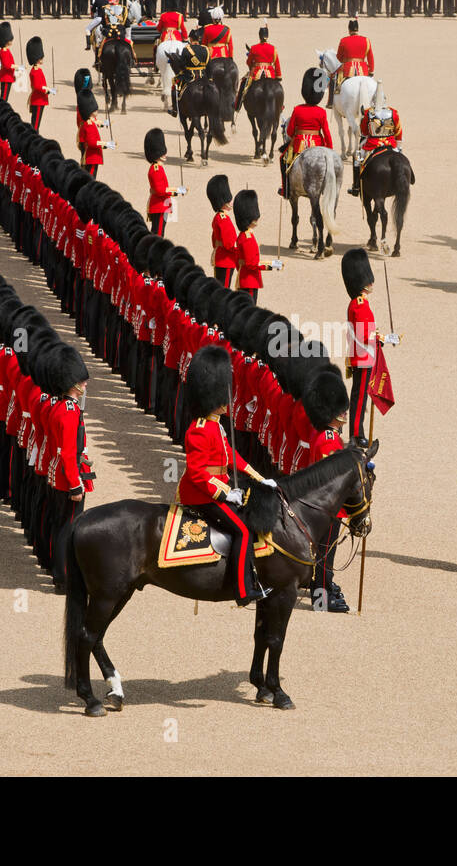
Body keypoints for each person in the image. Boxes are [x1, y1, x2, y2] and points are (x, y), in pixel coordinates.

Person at [179, 345, 272, 607]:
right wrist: (225, 493)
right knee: (242, 530)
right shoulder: (198, 430)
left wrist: (258, 477)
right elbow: (197, 474)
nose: (227, 400)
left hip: (214, 490)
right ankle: (243, 591)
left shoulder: (214, 425)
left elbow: (229, 454)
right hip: (201, 496)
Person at [303, 366, 351, 611]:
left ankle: (326, 585)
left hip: (329, 505)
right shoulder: (328, 440)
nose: (344, 413)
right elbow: (331, 478)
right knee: (324, 553)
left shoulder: (327, 435)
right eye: (341, 410)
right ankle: (321, 599)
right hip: (328, 506)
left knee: (326, 553)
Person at [47, 343, 94, 593]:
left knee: (62, 525)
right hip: (68, 479)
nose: (85, 385)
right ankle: (64, 577)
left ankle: (61, 574)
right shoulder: (69, 411)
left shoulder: (61, 407)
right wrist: (75, 484)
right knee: (69, 528)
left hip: (60, 474)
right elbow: (67, 452)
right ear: (72, 383)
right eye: (82, 382)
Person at [342, 248, 387, 443]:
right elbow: (363, 334)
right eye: (367, 279)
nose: (371, 283)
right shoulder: (359, 304)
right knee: (360, 397)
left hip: (362, 354)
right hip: (362, 356)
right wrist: (379, 339)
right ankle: (356, 434)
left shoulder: (360, 302)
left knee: (361, 396)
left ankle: (357, 432)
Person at [280, 67, 333, 197]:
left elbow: (290, 131)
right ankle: (327, 189)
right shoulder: (321, 112)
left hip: (299, 144)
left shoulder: (297, 109)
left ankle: (286, 189)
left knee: (283, 159)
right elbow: (326, 133)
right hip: (317, 144)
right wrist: (330, 150)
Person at [350, 86, 403, 197]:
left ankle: (356, 186)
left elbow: (364, 132)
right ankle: (409, 178)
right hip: (390, 144)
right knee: (401, 159)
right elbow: (398, 131)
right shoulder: (393, 112)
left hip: (372, 145)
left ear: (373, 100)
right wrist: (399, 147)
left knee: (356, 159)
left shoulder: (368, 113)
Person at [233, 189, 276, 304]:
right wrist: (271, 265)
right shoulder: (248, 238)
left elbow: (238, 260)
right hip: (250, 281)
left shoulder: (242, 235)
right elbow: (252, 264)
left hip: (243, 278)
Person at [145, 128, 184, 236]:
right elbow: (161, 190)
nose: (164, 154)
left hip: (161, 204)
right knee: (158, 234)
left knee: (158, 232)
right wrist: (177, 190)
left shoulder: (157, 167)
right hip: (159, 205)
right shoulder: (156, 169)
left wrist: (177, 191)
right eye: (162, 152)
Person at [235, 24, 281, 112]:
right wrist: (278, 76)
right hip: (270, 73)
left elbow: (248, 62)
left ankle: (238, 105)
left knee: (243, 84)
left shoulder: (253, 48)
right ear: (267, 36)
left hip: (256, 73)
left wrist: (251, 67)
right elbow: (277, 63)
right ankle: (280, 105)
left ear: (259, 36)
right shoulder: (273, 48)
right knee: (278, 89)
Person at [168, 28, 210, 118]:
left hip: (190, 76)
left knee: (174, 81)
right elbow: (208, 64)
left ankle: (175, 109)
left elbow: (182, 65)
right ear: (198, 39)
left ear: (190, 39)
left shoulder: (186, 49)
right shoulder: (205, 49)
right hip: (203, 76)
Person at [208, 174, 238, 288]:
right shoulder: (224, 219)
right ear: (224, 201)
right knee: (223, 291)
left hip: (221, 257)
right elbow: (230, 243)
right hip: (226, 260)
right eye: (229, 200)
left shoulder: (218, 217)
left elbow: (214, 239)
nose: (231, 201)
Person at [77, 90, 114, 178]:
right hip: (91, 157)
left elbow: (97, 122)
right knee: (90, 179)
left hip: (91, 156)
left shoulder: (88, 122)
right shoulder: (89, 125)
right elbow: (92, 142)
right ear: (89, 110)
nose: (97, 110)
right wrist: (106, 143)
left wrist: (105, 123)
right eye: (95, 110)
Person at [25, 37, 52, 131]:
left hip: (40, 98)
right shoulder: (35, 71)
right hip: (38, 99)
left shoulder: (37, 69)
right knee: (35, 125)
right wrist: (46, 90)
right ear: (37, 58)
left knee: (36, 123)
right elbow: (37, 86)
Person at [0, 21, 16, 100]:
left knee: (5, 97)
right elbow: (7, 65)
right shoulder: (4, 51)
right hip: (6, 77)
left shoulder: (6, 50)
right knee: (4, 98)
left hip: (9, 76)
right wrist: (17, 67)